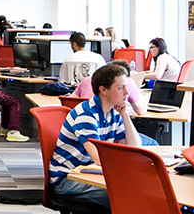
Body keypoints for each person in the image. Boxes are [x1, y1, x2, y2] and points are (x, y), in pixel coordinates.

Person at [48, 64, 142, 212]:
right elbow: (99, 159)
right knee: (126, 197)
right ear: (103, 90)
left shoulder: (114, 113)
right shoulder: (86, 115)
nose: (127, 93)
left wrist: (125, 115)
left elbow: (135, 148)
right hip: (67, 179)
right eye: (120, 88)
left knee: (137, 192)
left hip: (92, 174)